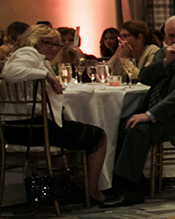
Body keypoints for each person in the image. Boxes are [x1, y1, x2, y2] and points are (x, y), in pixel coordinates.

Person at [103, 16, 175, 207]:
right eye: (172, 36)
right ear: (165, 37)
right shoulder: (163, 53)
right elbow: (144, 78)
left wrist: (150, 115)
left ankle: (130, 190)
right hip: (163, 116)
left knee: (138, 129)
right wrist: (165, 62)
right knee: (121, 125)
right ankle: (130, 183)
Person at [2, 24, 107, 204]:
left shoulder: (33, 57)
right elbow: (10, 73)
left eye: (56, 45)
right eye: (48, 43)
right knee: (99, 136)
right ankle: (93, 191)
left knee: (71, 129)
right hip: (29, 128)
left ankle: (69, 187)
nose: (54, 48)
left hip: (17, 128)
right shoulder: (28, 53)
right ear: (35, 41)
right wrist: (48, 76)